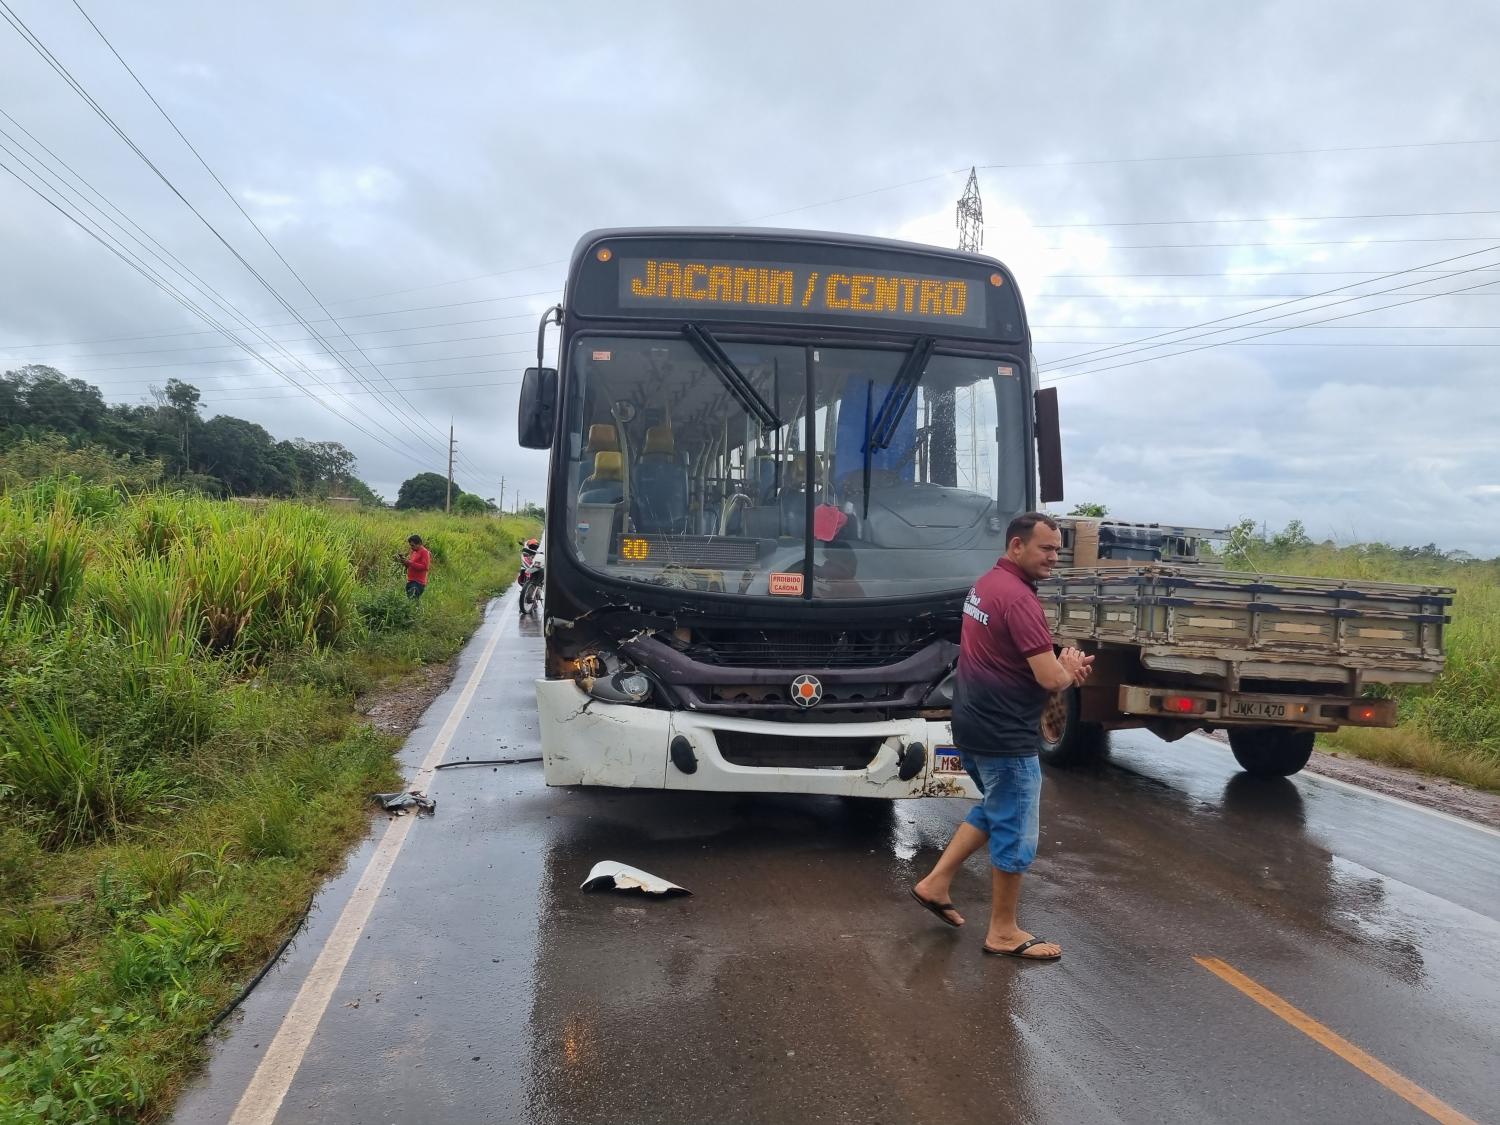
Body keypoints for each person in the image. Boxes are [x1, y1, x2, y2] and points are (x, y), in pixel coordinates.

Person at [910, 512, 1094, 961]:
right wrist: (1067, 670)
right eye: (1045, 548)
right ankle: (1003, 931)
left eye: (1057, 549)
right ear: (1016, 546)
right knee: (1015, 826)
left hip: (973, 723)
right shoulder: (1019, 599)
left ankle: (935, 883)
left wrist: (1060, 669)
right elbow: (1049, 677)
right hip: (1003, 733)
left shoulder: (987, 585)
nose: (1054, 556)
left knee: (996, 807)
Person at [398, 534, 431, 599]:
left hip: (418, 583)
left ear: (419, 543)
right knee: (412, 602)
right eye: (410, 545)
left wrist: (410, 562)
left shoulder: (424, 552)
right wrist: (405, 562)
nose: (411, 547)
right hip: (411, 581)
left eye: (413, 545)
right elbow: (412, 565)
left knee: (412, 602)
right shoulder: (414, 552)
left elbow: (425, 567)